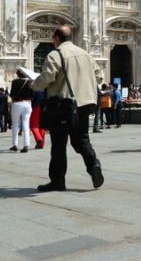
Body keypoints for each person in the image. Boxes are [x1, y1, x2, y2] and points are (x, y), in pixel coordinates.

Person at [31, 25, 103, 192]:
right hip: (84, 103)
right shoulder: (86, 54)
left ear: (56, 38)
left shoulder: (56, 54)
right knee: (82, 139)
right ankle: (94, 166)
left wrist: (34, 85)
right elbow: (98, 75)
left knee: (58, 144)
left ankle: (58, 181)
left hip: (63, 106)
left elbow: (48, 76)